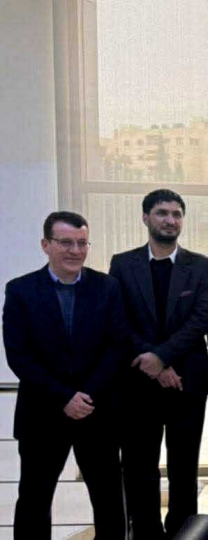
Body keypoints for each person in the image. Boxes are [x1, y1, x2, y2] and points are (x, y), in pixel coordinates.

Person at [3, 211, 126, 538]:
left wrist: (85, 396)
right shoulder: (20, 290)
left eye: (82, 243)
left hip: (97, 412)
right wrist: (64, 397)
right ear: (46, 245)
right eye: (66, 243)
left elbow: (117, 348)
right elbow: (19, 356)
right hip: (42, 414)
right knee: (34, 500)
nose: (75, 250)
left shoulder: (107, 287)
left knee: (109, 500)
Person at [109, 189, 208, 539]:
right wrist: (152, 362)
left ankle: (183, 533)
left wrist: (162, 357)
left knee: (184, 469)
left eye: (176, 214)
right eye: (162, 213)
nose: (170, 220)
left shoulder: (202, 266)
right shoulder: (122, 264)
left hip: (187, 383)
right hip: (137, 384)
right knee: (139, 468)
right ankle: (146, 534)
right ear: (145, 218)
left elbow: (201, 320)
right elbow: (119, 321)